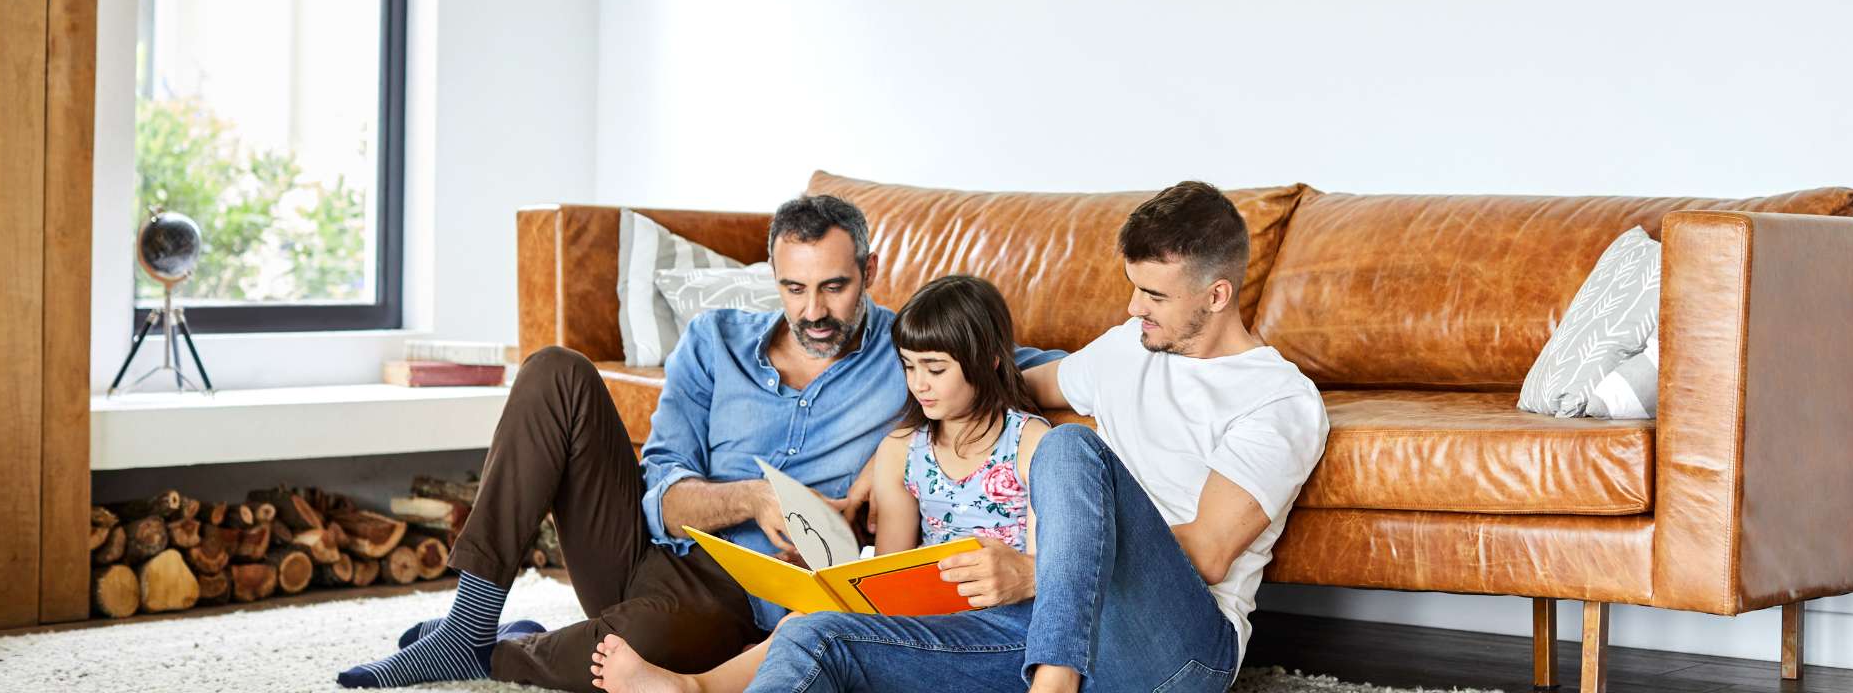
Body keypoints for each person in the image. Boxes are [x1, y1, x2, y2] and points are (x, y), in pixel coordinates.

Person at [727, 180, 1331, 693]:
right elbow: (995, 380)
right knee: (815, 639)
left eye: (1153, 295)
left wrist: (1038, 570)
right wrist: (882, 463)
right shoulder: (1129, 345)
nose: (1132, 306)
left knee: (1068, 447)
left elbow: (1208, 552)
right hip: (1047, 621)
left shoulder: (1276, 400)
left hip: (1175, 651)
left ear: (1217, 294)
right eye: (1133, 286)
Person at [339, 194, 904, 690]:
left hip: (738, 601)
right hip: (645, 547)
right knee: (554, 371)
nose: (814, 312)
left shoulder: (910, 354)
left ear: (869, 270)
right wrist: (753, 498)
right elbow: (663, 494)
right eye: (793, 288)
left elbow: (980, 408)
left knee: (637, 652)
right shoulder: (714, 341)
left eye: (834, 287)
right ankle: (470, 622)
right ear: (773, 276)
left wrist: (886, 457)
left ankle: (497, 652)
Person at [589, 273, 1051, 693]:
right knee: (805, 622)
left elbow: (1047, 571)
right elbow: (887, 575)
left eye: (935, 369)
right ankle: (696, 687)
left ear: (989, 361)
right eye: (909, 367)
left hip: (1002, 630)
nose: (919, 385)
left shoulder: (1031, 442)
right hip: (927, 620)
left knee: (817, 638)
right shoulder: (902, 449)